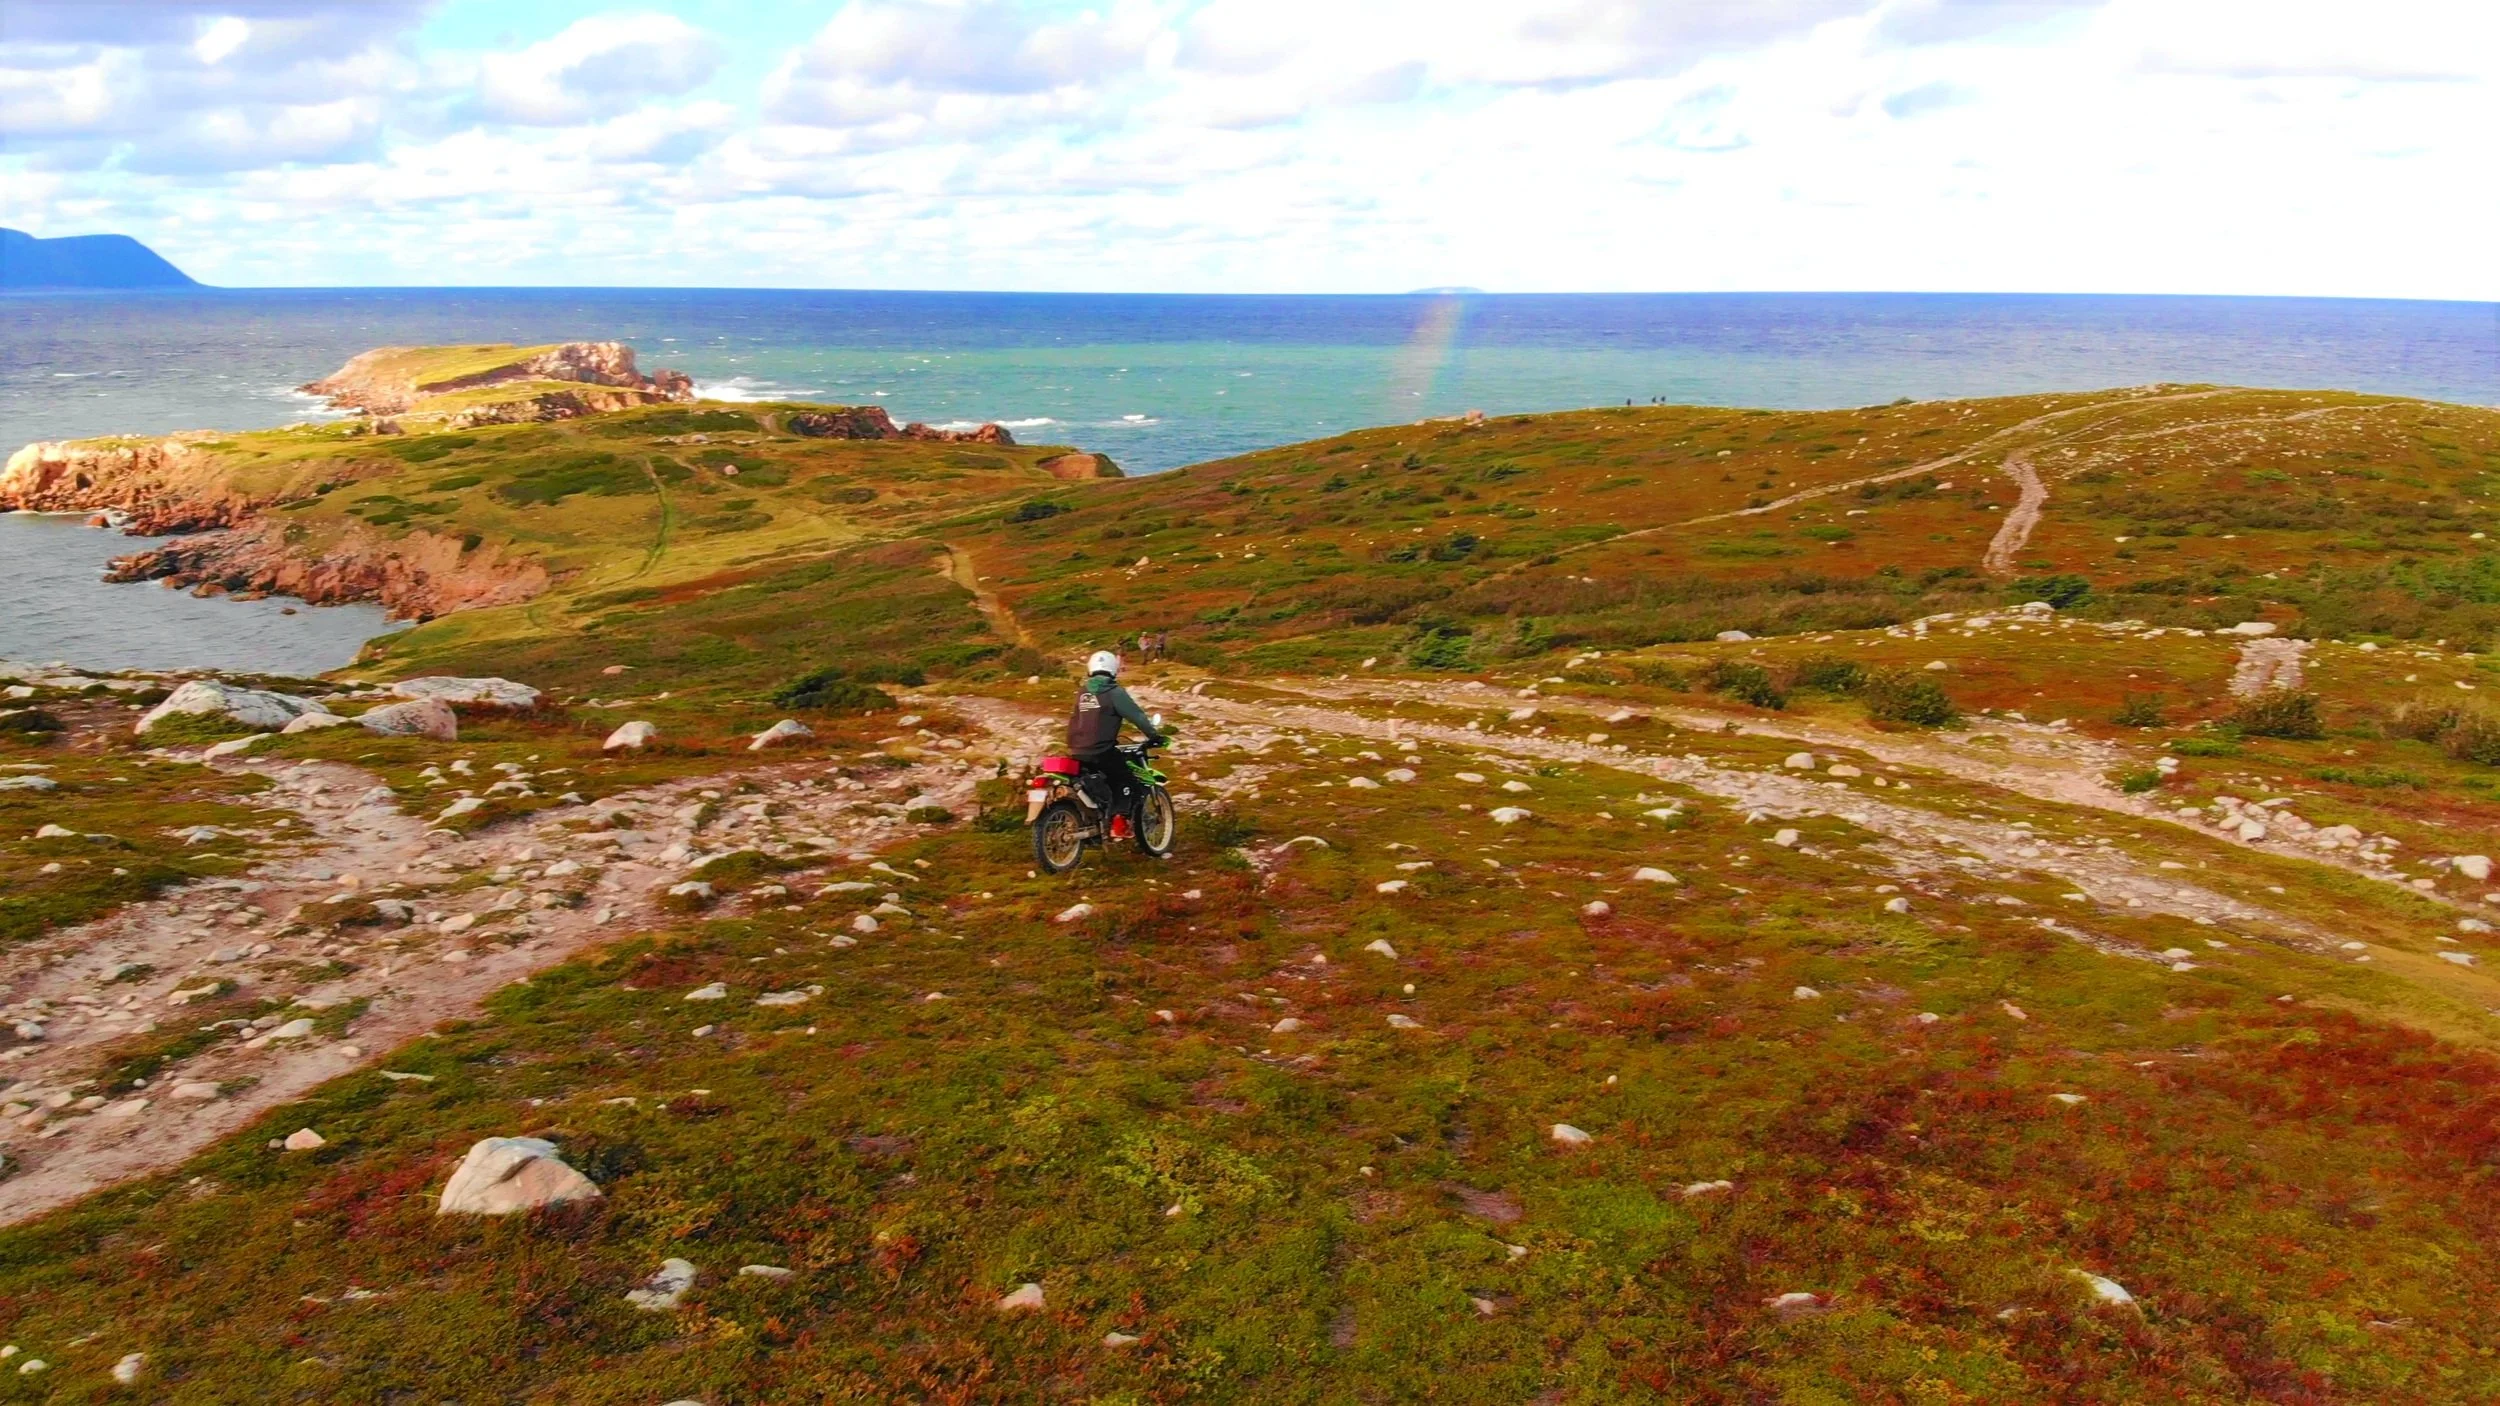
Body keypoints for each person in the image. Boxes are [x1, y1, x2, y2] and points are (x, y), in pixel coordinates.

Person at [1067, 649, 1166, 832]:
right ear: (1114, 669)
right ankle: (1118, 822)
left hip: (1075, 750)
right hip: (1100, 751)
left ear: (1090, 669)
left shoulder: (1082, 692)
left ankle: (1097, 816)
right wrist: (1154, 736)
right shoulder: (1114, 692)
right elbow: (1138, 717)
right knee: (1126, 779)